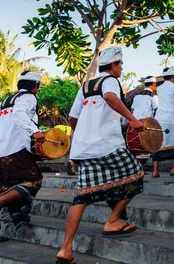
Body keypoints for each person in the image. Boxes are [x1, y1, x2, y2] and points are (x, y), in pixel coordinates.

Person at [56, 48, 145, 263]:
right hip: (107, 145)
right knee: (137, 175)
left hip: (85, 149)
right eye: (120, 64)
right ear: (113, 65)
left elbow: (73, 117)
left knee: (82, 196)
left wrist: (82, 136)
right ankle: (113, 220)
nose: (122, 68)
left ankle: (65, 249)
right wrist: (132, 119)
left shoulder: (85, 86)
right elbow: (109, 97)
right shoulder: (111, 81)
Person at [0, 71, 45, 244]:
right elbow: (19, 115)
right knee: (33, 182)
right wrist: (35, 131)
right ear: (35, 86)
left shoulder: (4, 101)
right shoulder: (29, 97)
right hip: (16, 151)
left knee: (2, 190)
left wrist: (6, 133)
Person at [152, 67, 174, 178]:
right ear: (173, 77)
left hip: (160, 118)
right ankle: (173, 169)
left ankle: (155, 171)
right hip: (172, 119)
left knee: (158, 144)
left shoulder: (159, 89)